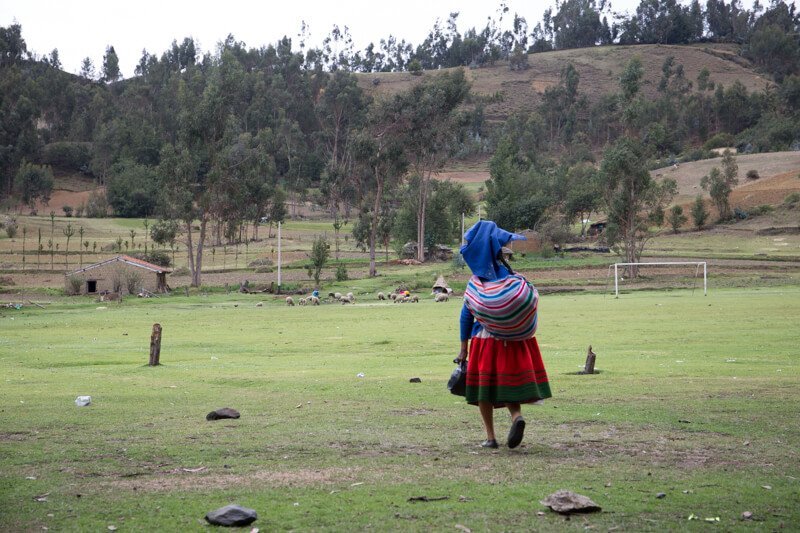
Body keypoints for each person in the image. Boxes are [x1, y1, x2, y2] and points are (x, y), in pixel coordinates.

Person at [457, 220, 551, 449]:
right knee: (506, 384)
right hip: (512, 342)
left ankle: (490, 437)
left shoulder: (477, 284)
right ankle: (516, 417)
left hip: (484, 341)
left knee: (484, 390)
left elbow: (465, 317)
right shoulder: (511, 277)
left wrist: (463, 349)